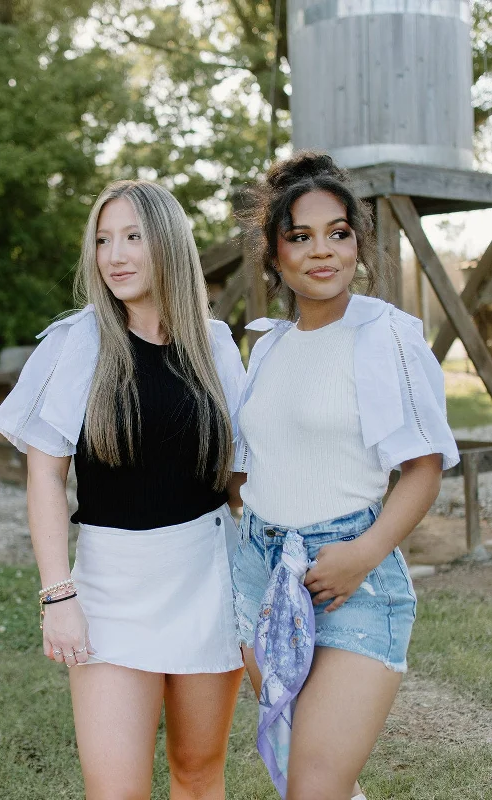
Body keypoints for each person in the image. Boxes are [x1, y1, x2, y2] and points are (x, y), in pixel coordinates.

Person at [0, 179, 247, 800]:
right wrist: (58, 596)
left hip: (208, 577)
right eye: (104, 240)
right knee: (115, 791)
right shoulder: (77, 343)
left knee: (196, 772)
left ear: (169, 244)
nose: (115, 255)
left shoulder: (215, 345)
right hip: (110, 587)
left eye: (133, 237)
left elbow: (241, 476)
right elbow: (46, 475)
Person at [231, 151, 459, 800]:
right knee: (313, 777)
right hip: (263, 577)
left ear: (357, 244)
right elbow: (250, 465)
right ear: (274, 255)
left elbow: (422, 469)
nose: (321, 251)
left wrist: (361, 554)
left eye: (337, 233)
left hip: (349, 578)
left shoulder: (386, 337)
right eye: (299, 237)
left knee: (312, 786)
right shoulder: (267, 344)